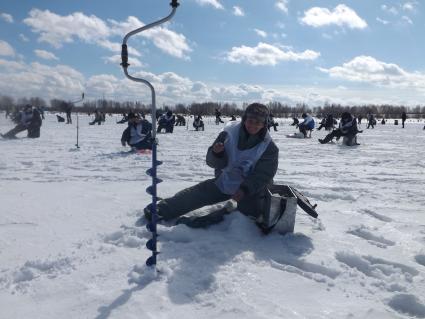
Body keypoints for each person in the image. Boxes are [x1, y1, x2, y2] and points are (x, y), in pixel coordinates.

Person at [143, 103, 279, 229]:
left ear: (264, 124)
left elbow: (264, 175)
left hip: (252, 189)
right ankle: (163, 209)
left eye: (258, 123)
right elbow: (212, 162)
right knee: (200, 192)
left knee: (244, 216)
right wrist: (216, 153)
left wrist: (244, 189)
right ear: (244, 119)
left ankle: (204, 223)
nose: (253, 125)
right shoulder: (228, 133)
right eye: (250, 121)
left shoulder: (269, 147)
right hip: (227, 179)